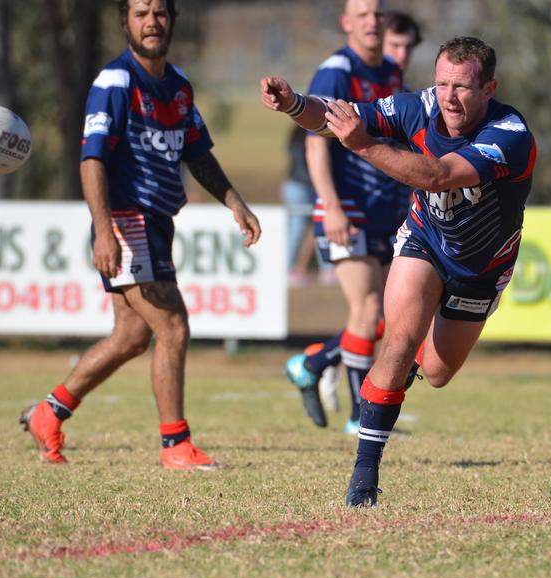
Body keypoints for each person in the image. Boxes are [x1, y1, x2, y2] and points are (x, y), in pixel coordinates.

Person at [262, 35, 536, 506]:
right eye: (443, 82)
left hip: (482, 267)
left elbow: (438, 175)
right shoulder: (419, 106)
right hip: (424, 239)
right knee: (398, 339)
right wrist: (295, 105)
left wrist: (364, 147)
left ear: (489, 88)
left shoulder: (509, 135)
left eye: (463, 87)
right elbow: (338, 118)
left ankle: (391, 369)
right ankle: (363, 479)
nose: (449, 96)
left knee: (436, 370)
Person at [20, 0, 260, 469]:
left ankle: (48, 414)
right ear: (125, 22)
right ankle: (176, 445)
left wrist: (235, 201)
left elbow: (198, 154)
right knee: (172, 327)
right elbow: (92, 159)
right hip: (128, 220)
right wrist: (104, 230)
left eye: (160, 13)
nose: (152, 21)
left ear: (173, 20)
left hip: (158, 221)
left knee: (132, 336)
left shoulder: (178, 86)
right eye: (140, 12)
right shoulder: (115, 82)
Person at [282, 0, 407, 437]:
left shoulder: (390, 71)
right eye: (364, 13)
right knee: (368, 308)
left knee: (382, 316)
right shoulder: (336, 70)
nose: (372, 20)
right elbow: (315, 142)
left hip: (382, 208)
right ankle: (359, 415)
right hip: (345, 207)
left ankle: (312, 362)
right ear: (347, 22)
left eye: (378, 13)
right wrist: (330, 204)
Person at [281, 124, 318, 286]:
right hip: (302, 185)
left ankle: (296, 268)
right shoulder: (309, 136)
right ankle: (289, 269)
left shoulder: (294, 134)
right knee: (299, 227)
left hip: (290, 184)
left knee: (303, 227)